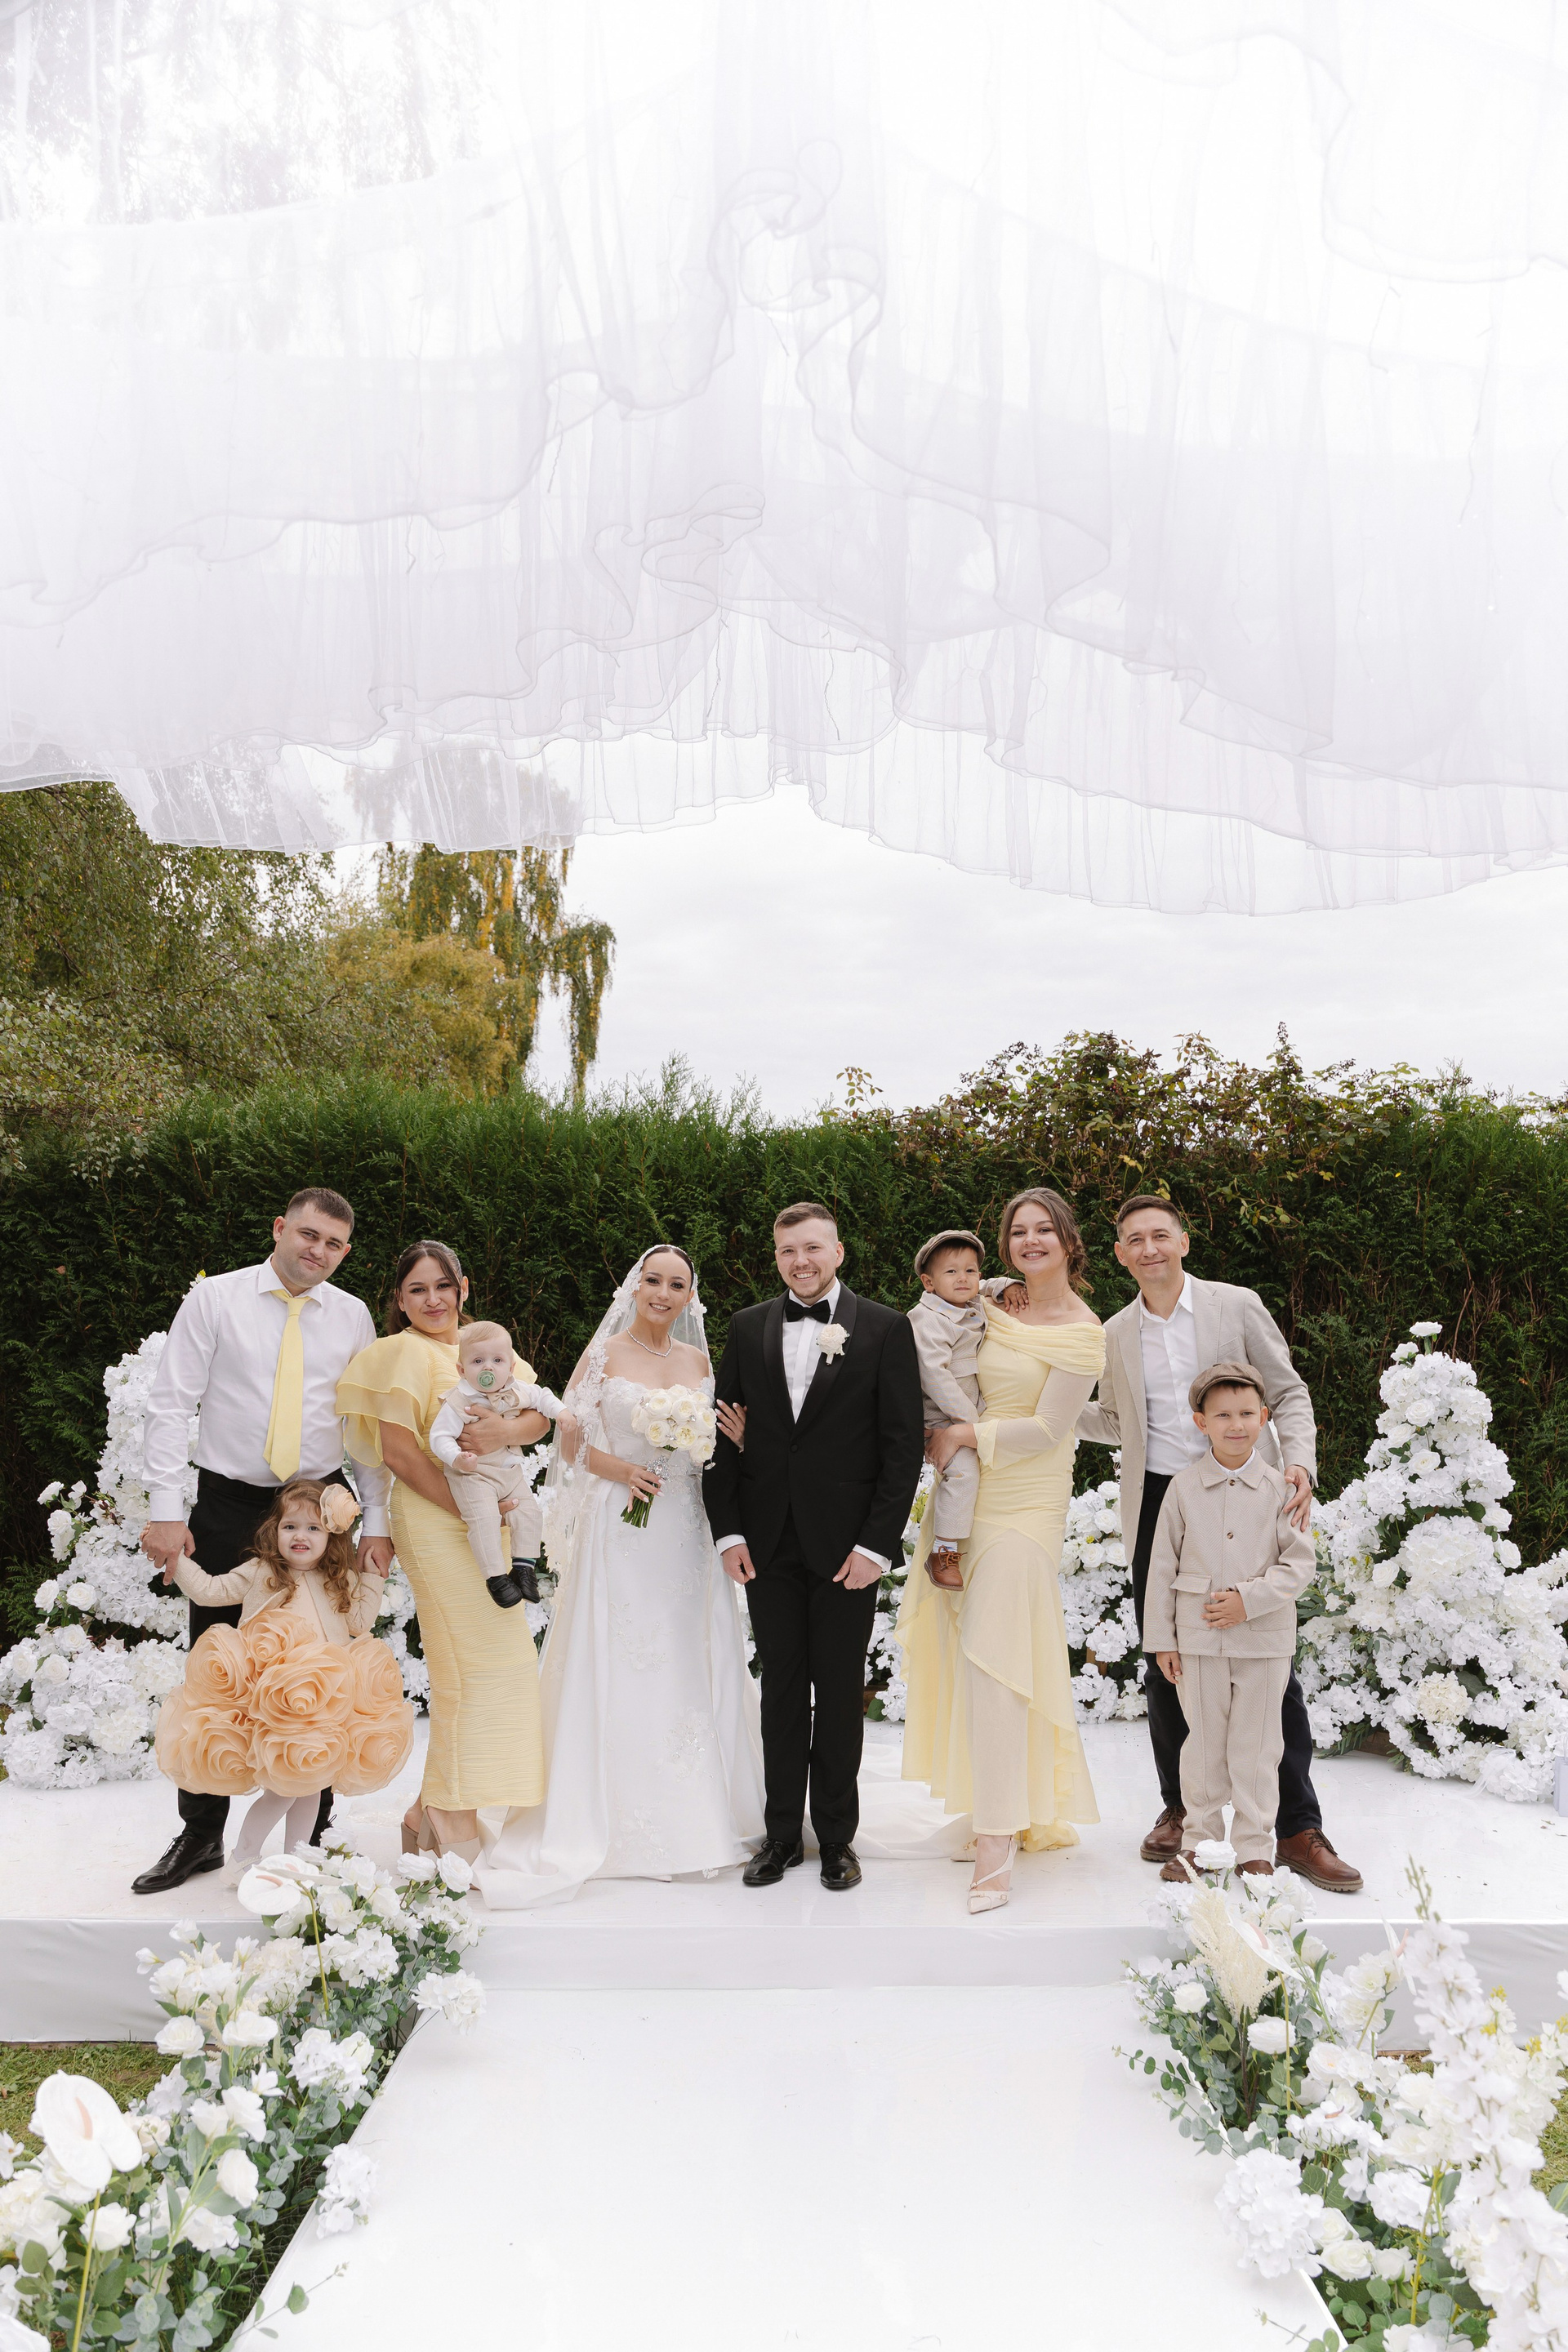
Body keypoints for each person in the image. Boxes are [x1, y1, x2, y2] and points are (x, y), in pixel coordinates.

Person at [1071, 1192, 1362, 1894]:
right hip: (1164, 1503)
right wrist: (1048, 1409)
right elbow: (1116, 1420)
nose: (1149, 1248)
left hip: (1253, 1494)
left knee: (1268, 1663)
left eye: (1160, 1235)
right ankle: (1184, 1814)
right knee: (1166, 1661)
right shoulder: (1114, 1332)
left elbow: (1288, 1393)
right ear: (1120, 1254)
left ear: (1183, 1242)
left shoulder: (1236, 1306)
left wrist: (1299, 1464)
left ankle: (1294, 1826)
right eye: (1135, 1239)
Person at [476, 1246, 765, 1907]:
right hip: (625, 1522)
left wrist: (738, 1440)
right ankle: (615, 1814)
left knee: (688, 1654)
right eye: (652, 1281)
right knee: (625, 1655)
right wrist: (624, 1470)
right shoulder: (604, 1355)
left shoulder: (699, 1362)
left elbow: (712, 1447)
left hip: (687, 1528)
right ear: (634, 1288)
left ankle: (705, 1813)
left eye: (676, 1284)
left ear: (690, 1296)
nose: (663, 1293)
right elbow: (569, 1441)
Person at [134, 1186, 394, 1895]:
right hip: (230, 1502)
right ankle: (201, 1834)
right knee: (217, 1667)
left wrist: (376, 1520)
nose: (318, 1250)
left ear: (345, 1252)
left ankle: (314, 1836)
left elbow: (365, 1425)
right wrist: (166, 1511)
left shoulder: (352, 1315)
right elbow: (171, 1402)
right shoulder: (215, 1298)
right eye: (308, 1234)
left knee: (324, 1664)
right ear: (280, 1228)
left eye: (334, 1243)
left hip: (320, 1504)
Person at [704, 1202, 924, 1894]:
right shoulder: (747, 1327)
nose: (800, 1261)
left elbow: (902, 1447)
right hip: (767, 1542)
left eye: (812, 1248)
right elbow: (721, 1435)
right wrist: (730, 1531)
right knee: (779, 1692)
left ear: (838, 1251)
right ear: (776, 1258)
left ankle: (835, 1837)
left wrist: (875, 1546)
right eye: (787, 1251)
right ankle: (779, 1836)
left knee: (837, 1690)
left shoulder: (885, 1328)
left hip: (846, 1548)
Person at [898, 1188, 1105, 1913]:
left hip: (1027, 1502)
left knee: (998, 1659)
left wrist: (963, 1434)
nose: (1030, 1240)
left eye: (1045, 1229)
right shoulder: (988, 1300)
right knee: (977, 1658)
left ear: (1069, 1241)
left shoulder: (1084, 1332)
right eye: (1019, 1231)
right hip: (968, 1500)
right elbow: (944, 1317)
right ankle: (1001, 1804)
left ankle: (996, 1839)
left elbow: (1050, 1429)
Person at [337, 1241, 550, 1864]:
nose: (433, 1300)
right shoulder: (397, 1353)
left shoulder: (484, 1346)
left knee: (506, 1664)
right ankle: (451, 1814)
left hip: (493, 1515)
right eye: (417, 1290)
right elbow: (400, 1455)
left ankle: (423, 1812)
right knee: (468, 1670)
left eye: (443, 1287)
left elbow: (537, 1415)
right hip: (438, 1517)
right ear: (400, 1301)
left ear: (463, 1288)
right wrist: (470, 1509)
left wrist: (507, 1431)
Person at [154, 1477, 414, 1878]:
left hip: (325, 1702)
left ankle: (297, 1863)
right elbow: (209, 1592)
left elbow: (359, 1622)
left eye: (313, 1528)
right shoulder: (262, 1572)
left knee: (311, 1785)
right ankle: (244, 1857)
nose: (300, 1536)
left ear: (331, 1536)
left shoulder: (338, 1578)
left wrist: (373, 1576)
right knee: (282, 1791)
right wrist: (178, 1559)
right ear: (273, 1531)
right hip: (278, 1701)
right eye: (290, 1526)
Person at [1145, 1364, 1317, 1881]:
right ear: (1201, 1422)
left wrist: (1249, 1600)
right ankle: (1199, 1844)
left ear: (1265, 1418)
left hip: (1264, 1643)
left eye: (1246, 1414)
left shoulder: (1283, 1489)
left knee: (1257, 1749)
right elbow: (1161, 1567)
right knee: (1201, 1747)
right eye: (1222, 1415)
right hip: (1198, 1641)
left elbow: (1299, 1564)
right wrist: (1162, 1640)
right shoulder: (1182, 1488)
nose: (1236, 1425)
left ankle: (1254, 1847)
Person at [427, 1321, 564, 1608]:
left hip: (509, 1472)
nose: (488, 1367)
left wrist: (561, 1413)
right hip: (473, 1474)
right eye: (478, 1361)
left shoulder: (516, 1390)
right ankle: (496, 1578)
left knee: (529, 1513)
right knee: (485, 1518)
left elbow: (542, 1396)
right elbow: (439, 1437)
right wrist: (457, 1457)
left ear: (511, 1367)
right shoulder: (458, 1401)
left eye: (497, 1361)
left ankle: (524, 1568)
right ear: (462, 1370)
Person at [908, 1229, 990, 1592]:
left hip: (970, 1411)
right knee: (963, 1473)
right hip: (943, 1416)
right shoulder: (928, 1319)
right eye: (952, 1272)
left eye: (971, 1271)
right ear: (929, 1283)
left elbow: (988, 1287)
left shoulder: (970, 1303)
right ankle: (943, 1553)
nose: (963, 1279)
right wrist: (972, 1426)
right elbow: (935, 1376)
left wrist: (1008, 1286)